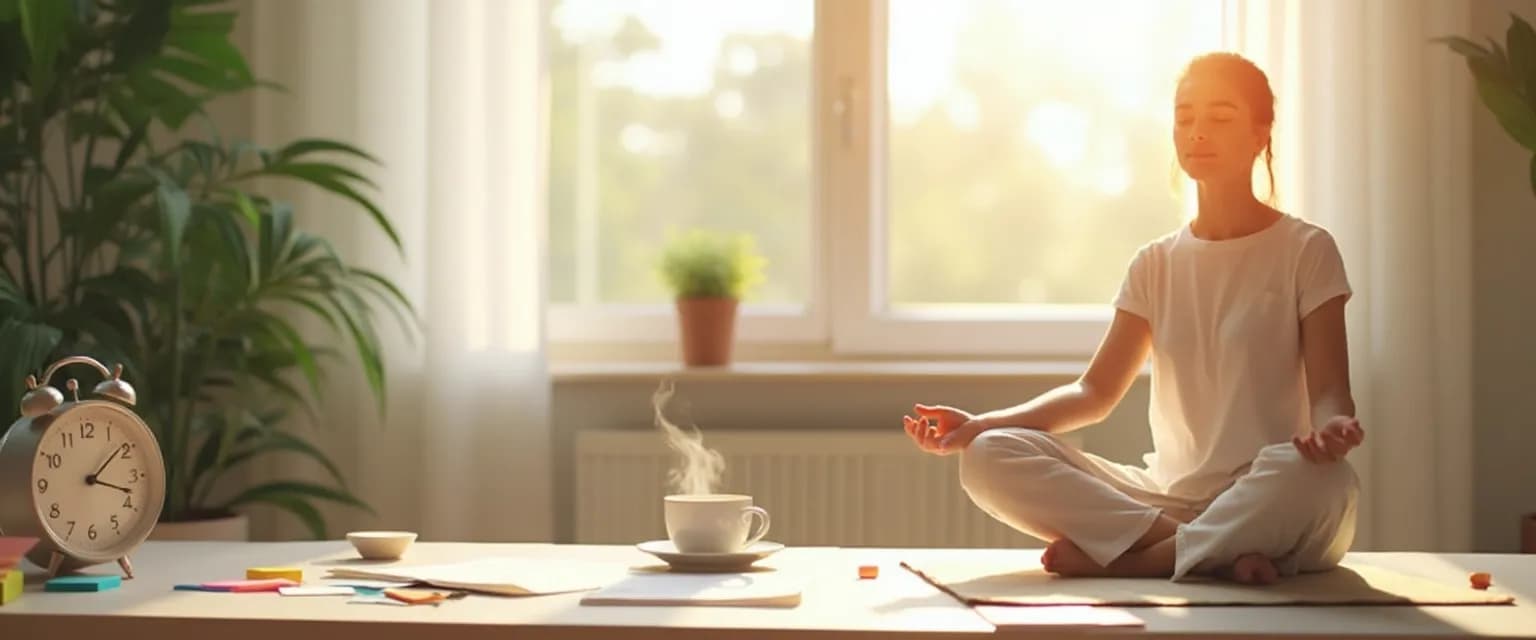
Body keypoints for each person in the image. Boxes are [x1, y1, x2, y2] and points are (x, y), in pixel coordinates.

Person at [902, 52, 1363, 584]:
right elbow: (1093, 394)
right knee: (988, 456)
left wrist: (1332, 430)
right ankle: (1208, 548)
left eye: (1220, 117)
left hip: (1264, 489)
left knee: (1320, 480)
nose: (1197, 132)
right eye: (1185, 116)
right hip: (1163, 499)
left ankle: (1143, 560)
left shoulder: (1307, 249)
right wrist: (981, 425)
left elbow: (1332, 392)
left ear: (1261, 133)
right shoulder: (1155, 263)